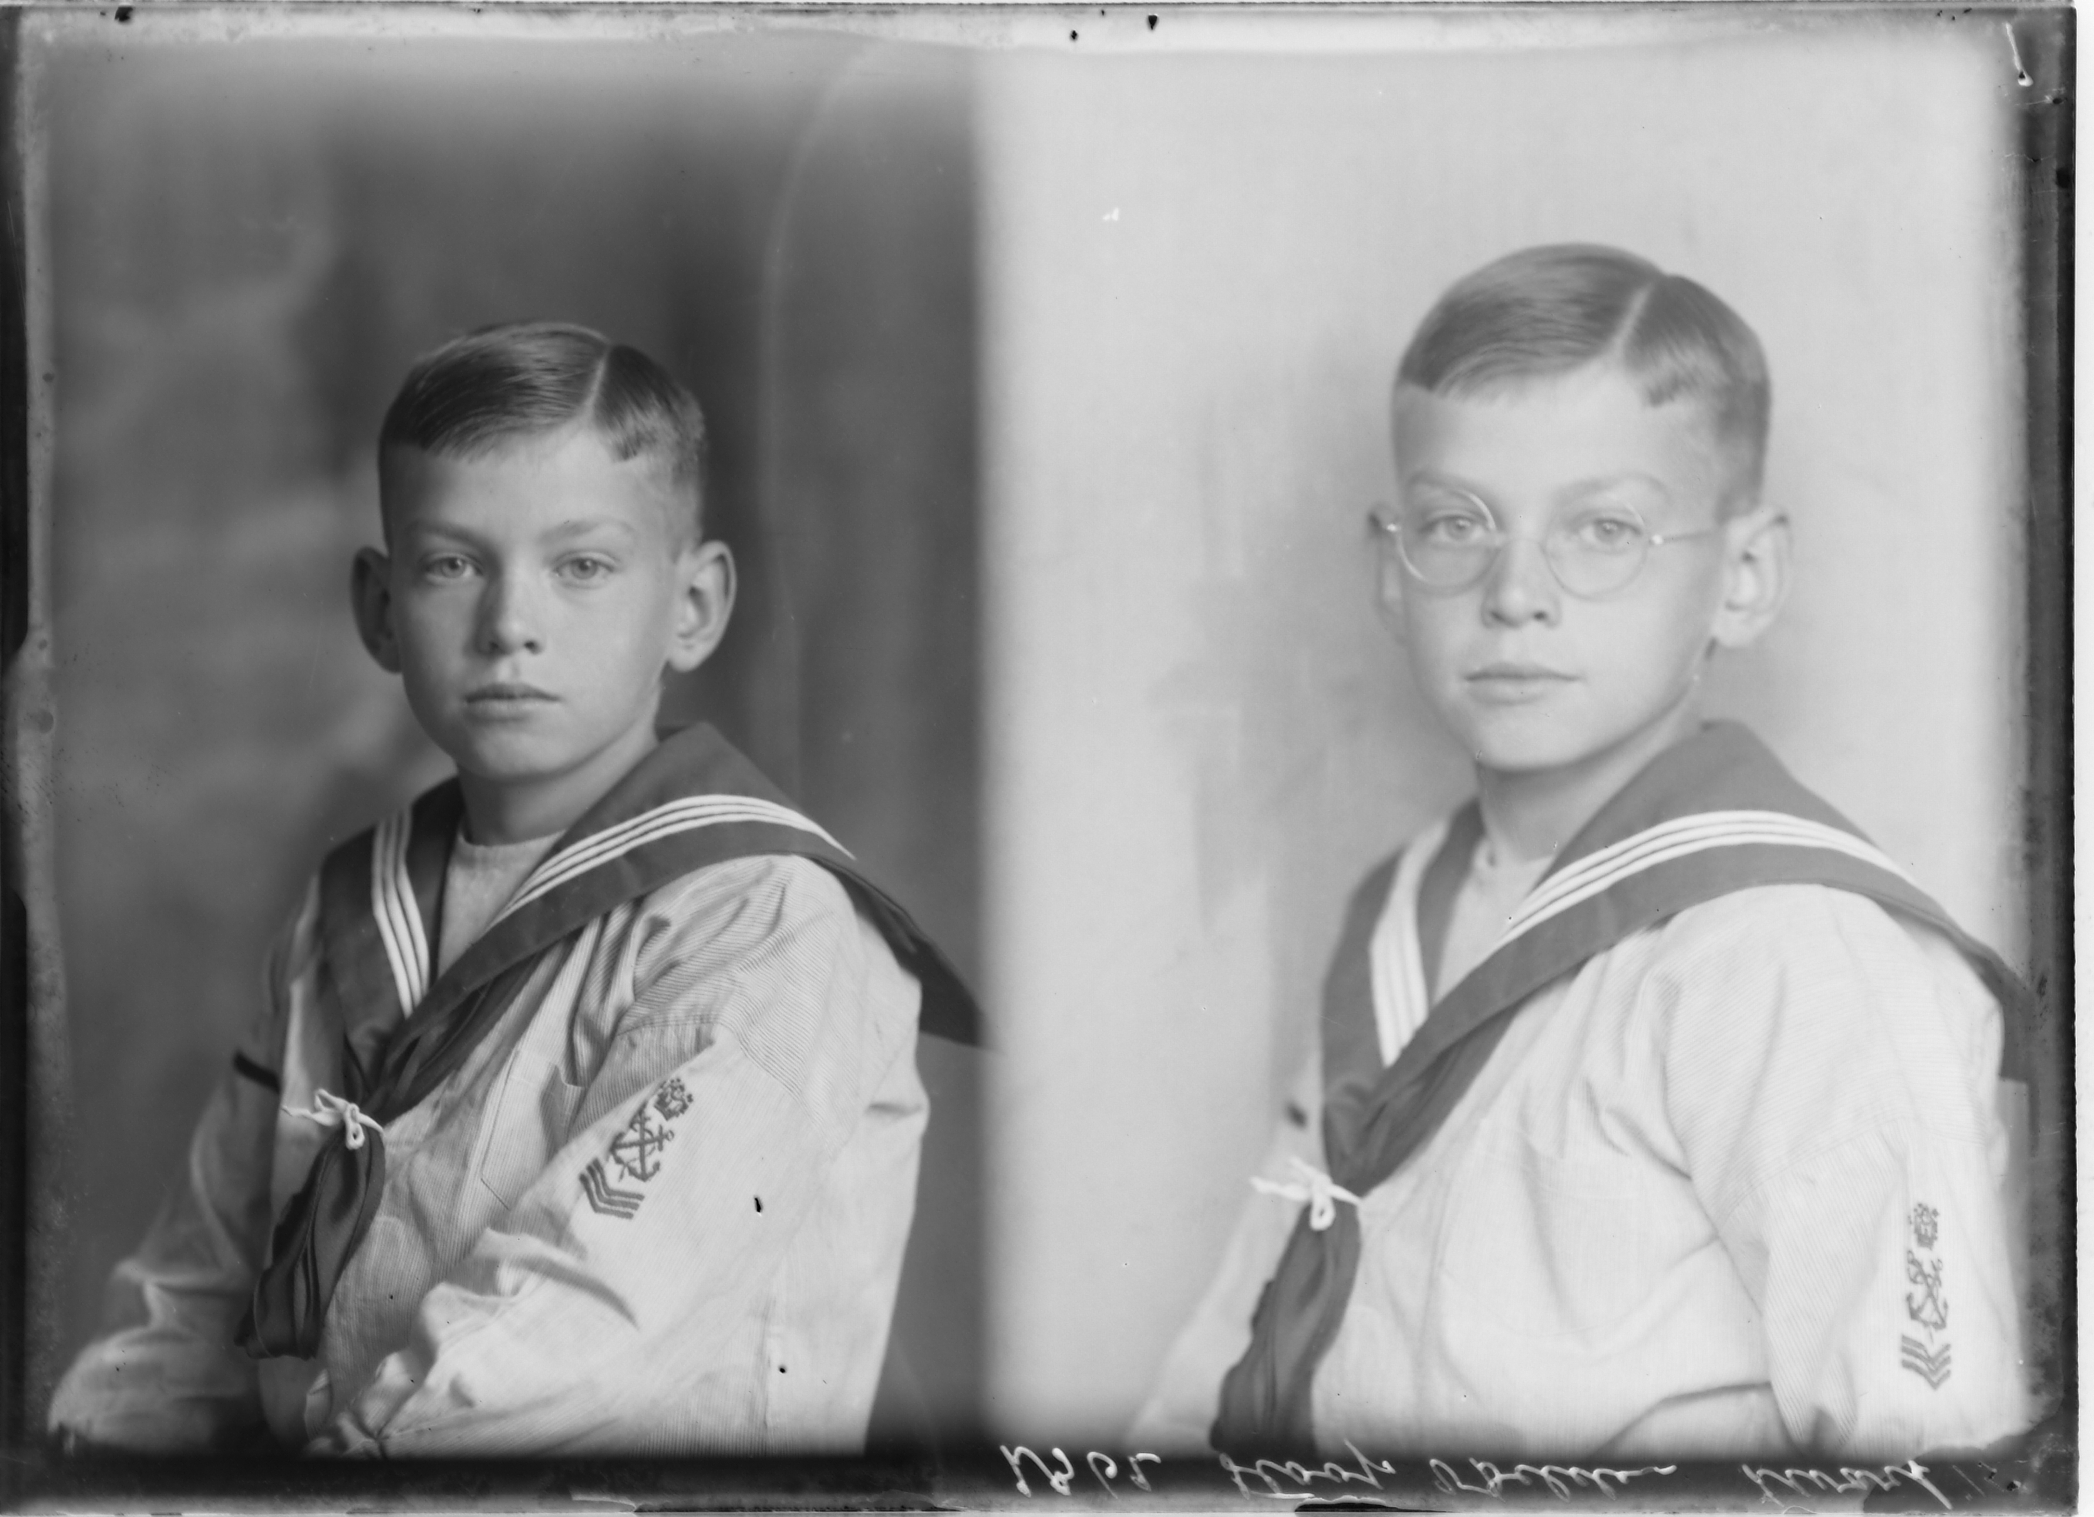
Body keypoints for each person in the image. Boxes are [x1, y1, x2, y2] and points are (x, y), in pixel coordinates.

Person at [1131, 245, 2034, 1462]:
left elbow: (1930, 1447)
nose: (1515, 592)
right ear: (1390, 572)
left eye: (1604, 528)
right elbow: (1243, 1325)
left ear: (1745, 576)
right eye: (1456, 523)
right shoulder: (1402, 907)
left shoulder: (1791, 952)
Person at [47, 322, 979, 1457]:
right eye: (453, 563)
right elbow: (197, 1299)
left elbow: (570, 1328)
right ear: (381, 610)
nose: (509, 627)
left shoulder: (764, 921)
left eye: (581, 566)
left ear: (692, 606)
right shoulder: (346, 918)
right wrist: (86, 1466)